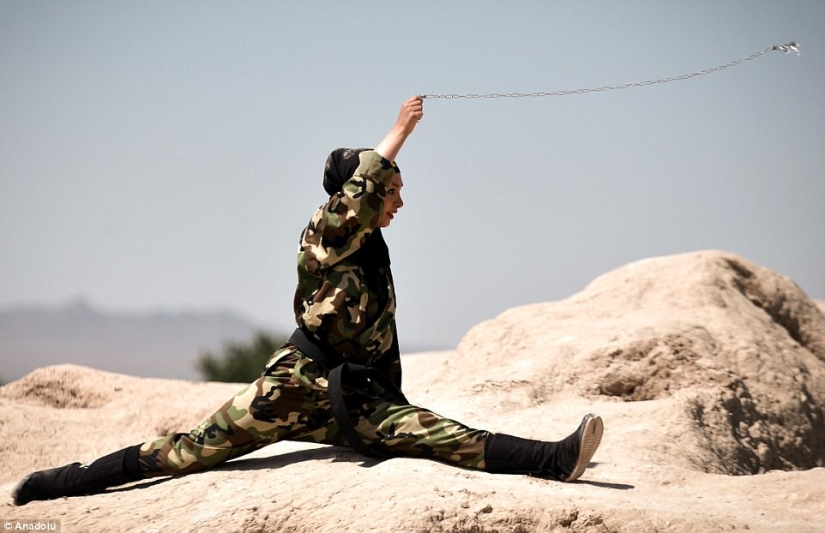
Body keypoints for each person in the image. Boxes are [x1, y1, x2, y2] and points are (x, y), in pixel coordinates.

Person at [13, 96, 603, 506]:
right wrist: (400, 130)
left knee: (431, 432)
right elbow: (362, 188)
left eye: (399, 191)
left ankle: (554, 458)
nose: (399, 201)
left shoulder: (369, 247)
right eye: (392, 192)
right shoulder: (324, 237)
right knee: (189, 452)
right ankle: (59, 484)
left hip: (353, 396)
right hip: (293, 388)